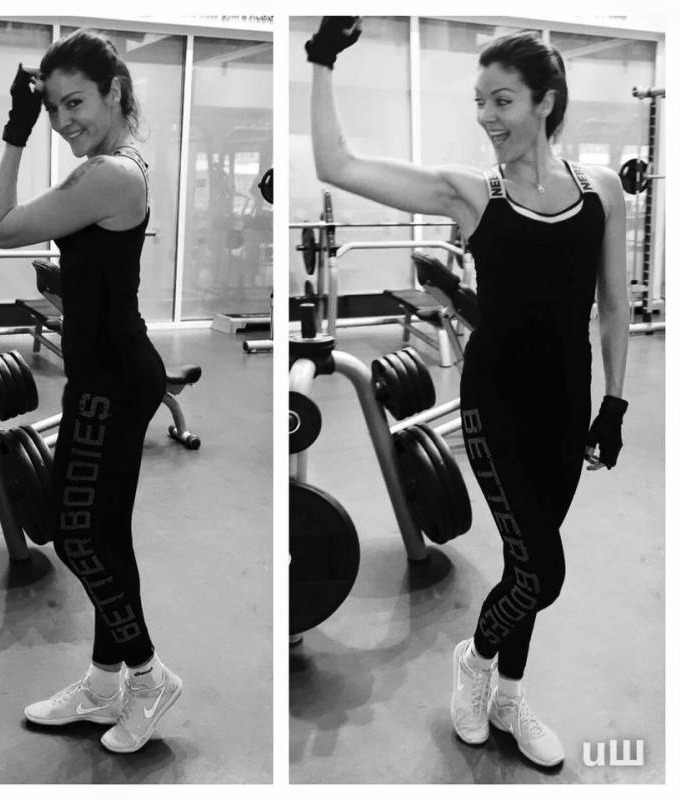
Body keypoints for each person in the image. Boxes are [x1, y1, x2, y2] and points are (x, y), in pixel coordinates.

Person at [305, 18, 629, 767]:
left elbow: (614, 305)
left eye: (502, 100)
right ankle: (475, 661)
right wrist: (321, 60)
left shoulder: (602, 192)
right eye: (480, 101)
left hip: (565, 404)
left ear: (546, 101)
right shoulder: (474, 194)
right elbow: (337, 163)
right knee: (542, 570)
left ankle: (509, 698)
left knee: (524, 564)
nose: (487, 117)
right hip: (495, 405)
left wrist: (614, 403)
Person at [0, 29, 182, 754]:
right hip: (111, 373)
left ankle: (148, 676)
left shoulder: (110, 175)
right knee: (104, 532)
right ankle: (103, 685)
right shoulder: (121, 165)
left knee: (74, 533)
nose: (63, 121)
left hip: (111, 383)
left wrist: (15, 132)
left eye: (75, 103)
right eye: (51, 108)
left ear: (114, 93)